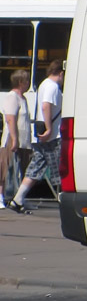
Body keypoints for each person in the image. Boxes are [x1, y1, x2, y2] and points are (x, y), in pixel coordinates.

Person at [7, 60, 63, 215]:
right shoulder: (52, 86)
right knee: (60, 168)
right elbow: (46, 106)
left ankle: (18, 198)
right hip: (52, 135)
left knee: (36, 167)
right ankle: (65, 200)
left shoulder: (44, 84)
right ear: (61, 73)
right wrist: (49, 128)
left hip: (44, 135)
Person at [1, 69, 31, 208]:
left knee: (20, 170)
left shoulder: (22, 98)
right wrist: (14, 139)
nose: (28, 83)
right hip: (12, 140)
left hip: (23, 142)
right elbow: (10, 119)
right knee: (6, 168)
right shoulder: (12, 97)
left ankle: (16, 199)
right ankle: (2, 197)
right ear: (20, 82)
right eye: (26, 80)